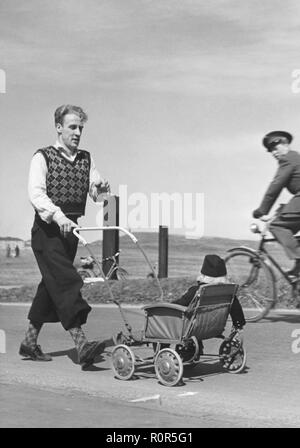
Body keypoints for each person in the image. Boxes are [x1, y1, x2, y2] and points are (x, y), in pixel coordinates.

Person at [20, 104, 110, 368]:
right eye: (72, 127)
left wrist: (101, 190)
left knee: (51, 287)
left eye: (81, 127)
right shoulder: (42, 157)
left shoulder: (86, 158)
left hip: (71, 232)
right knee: (67, 282)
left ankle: (29, 342)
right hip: (47, 232)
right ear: (58, 127)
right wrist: (58, 216)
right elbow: (36, 195)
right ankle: (81, 344)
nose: (78, 132)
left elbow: (96, 194)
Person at [253, 131, 300, 277]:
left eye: (275, 147)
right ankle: (298, 270)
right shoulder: (296, 158)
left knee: (277, 225)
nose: (273, 153)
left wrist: (261, 210)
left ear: (285, 144)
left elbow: (275, 187)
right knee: (291, 230)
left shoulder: (288, 159)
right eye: (271, 150)